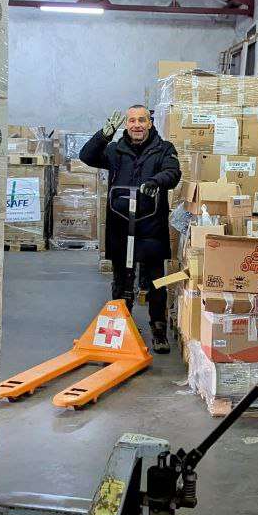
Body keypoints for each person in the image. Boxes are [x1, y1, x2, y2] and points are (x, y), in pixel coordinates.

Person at [79, 104, 181, 353]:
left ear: (150, 123)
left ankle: (158, 329)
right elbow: (87, 156)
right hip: (120, 224)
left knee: (156, 281)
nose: (137, 125)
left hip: (151, 224)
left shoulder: (164, 148)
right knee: (121, 279)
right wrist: (104, 135)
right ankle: (119, 324)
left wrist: (155, 181)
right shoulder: (115, 150)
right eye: (132, 120)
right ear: (126, 124)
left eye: (141, 120)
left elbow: (173, 173)